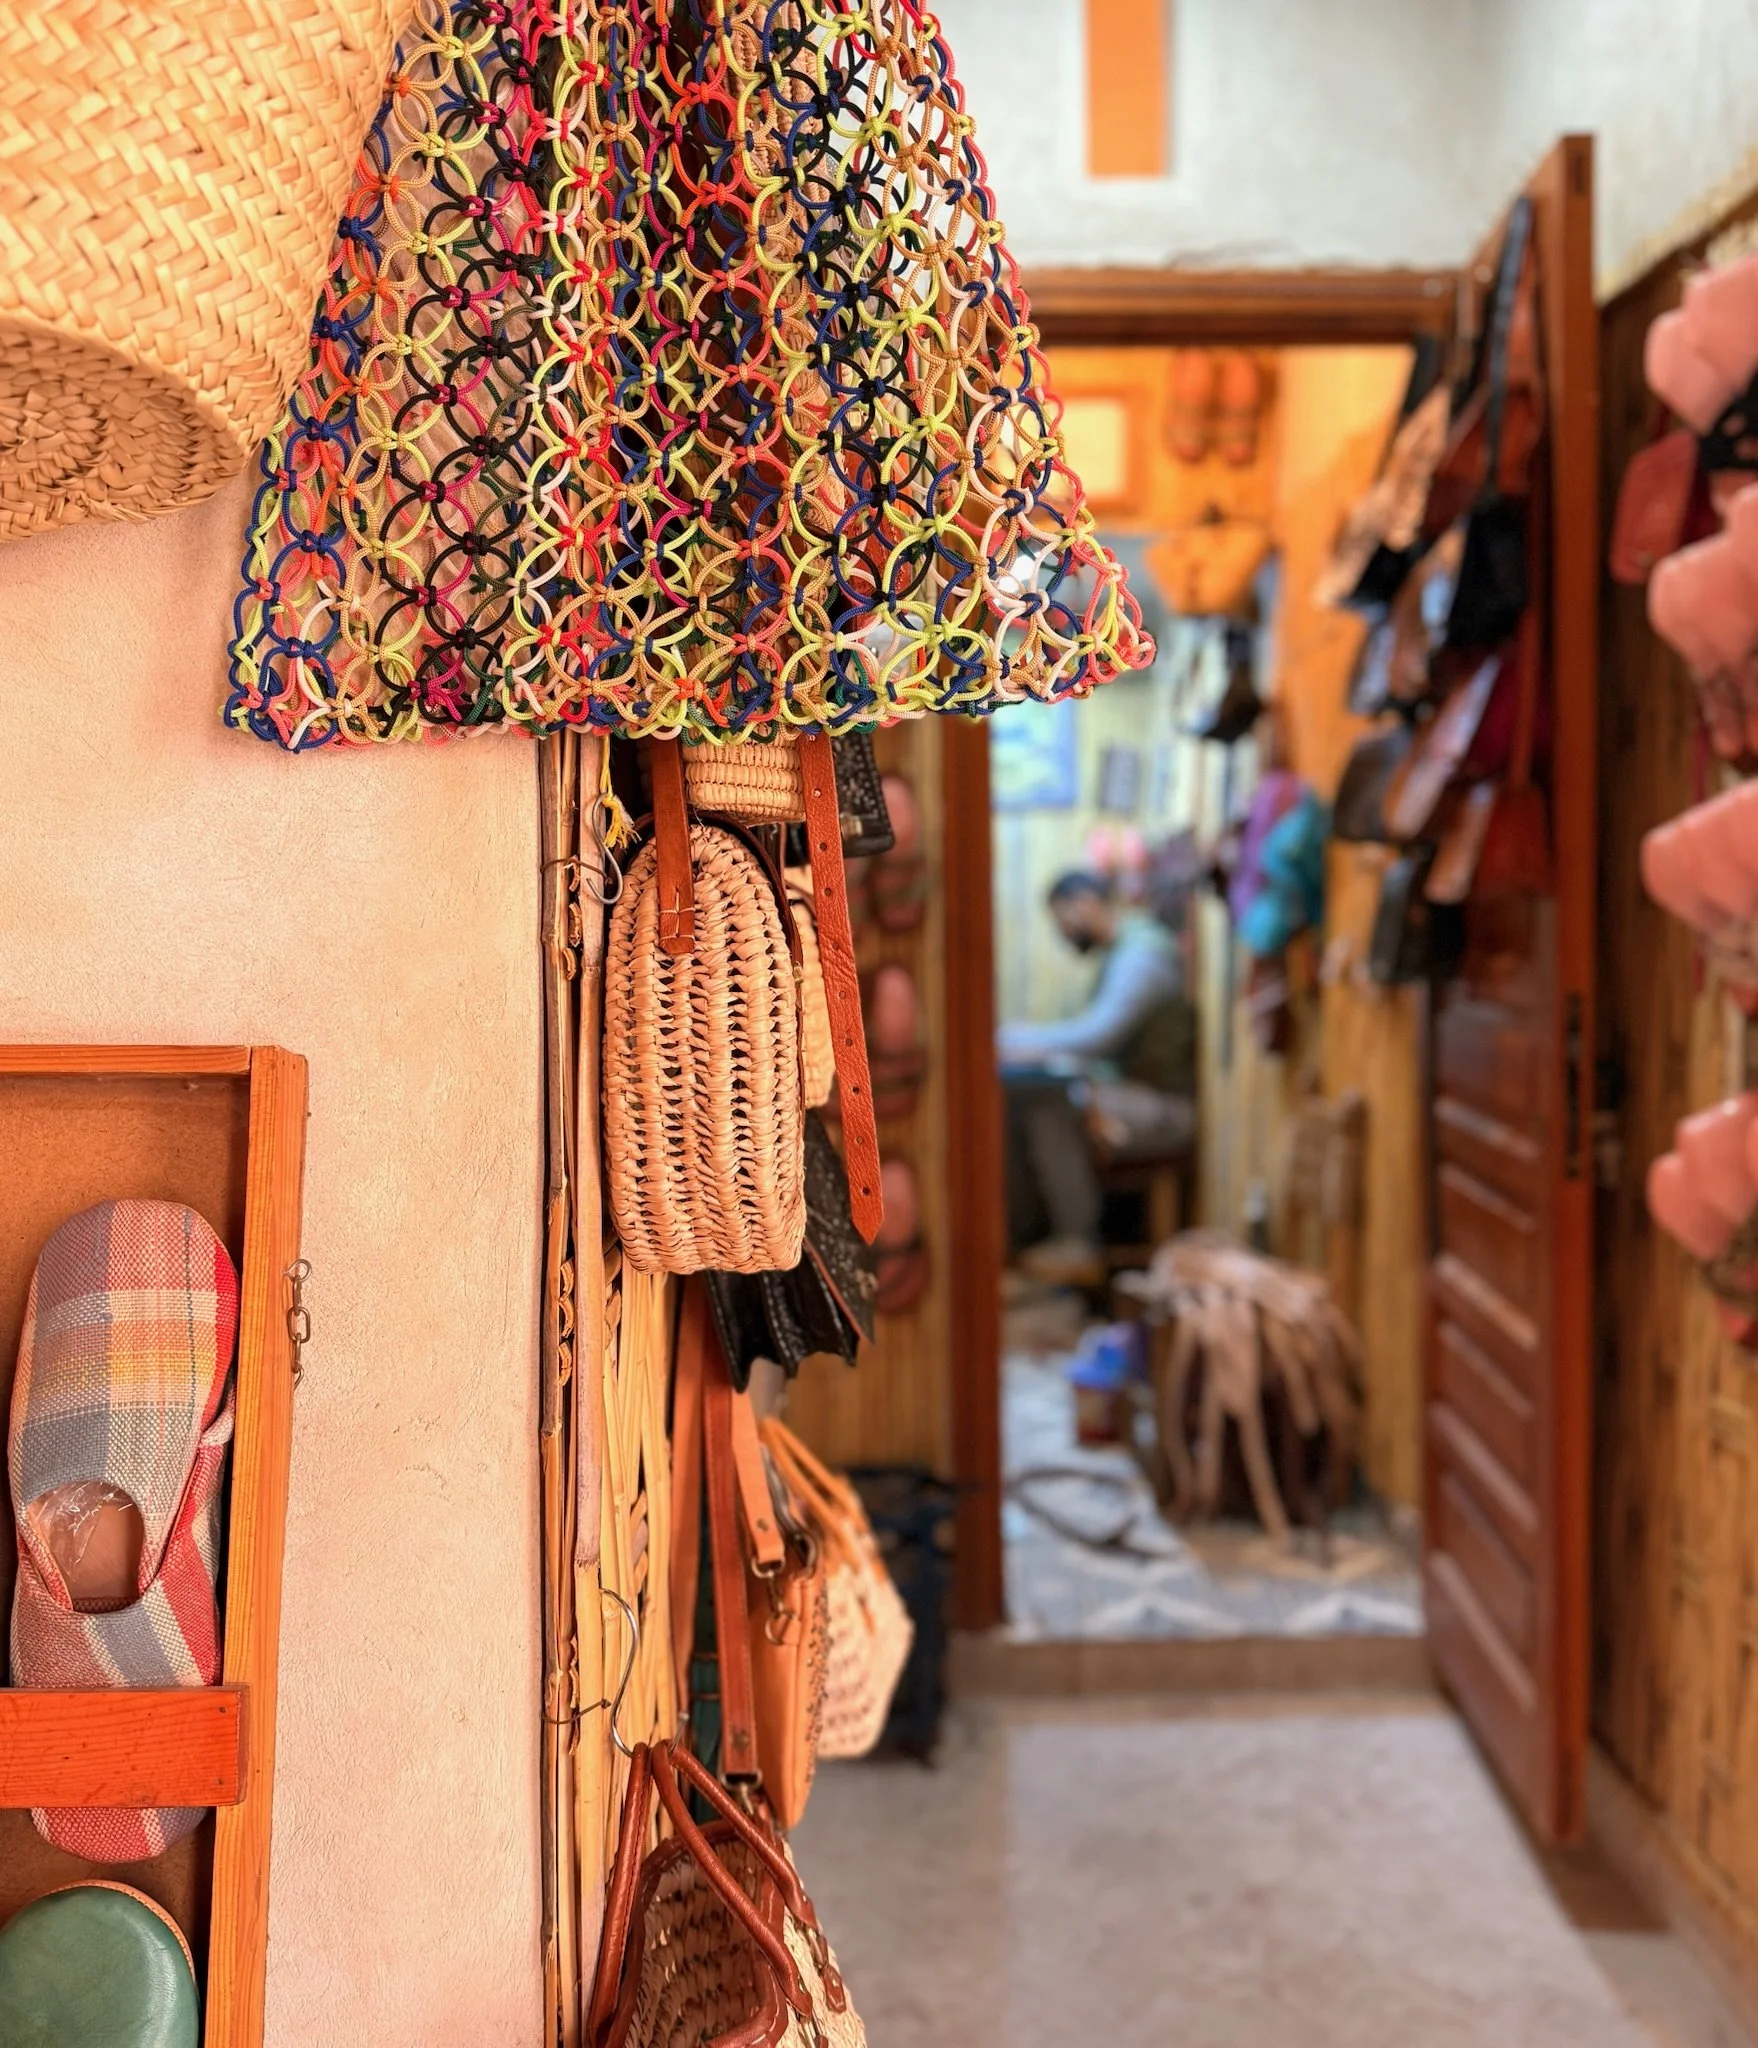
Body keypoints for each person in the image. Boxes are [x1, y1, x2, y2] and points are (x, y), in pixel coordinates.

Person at [998, 873, 1197, 1285]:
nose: (1063, 932)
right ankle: (1028, 1238)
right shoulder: (1121, 953)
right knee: (1026, 1101)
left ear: (1085, 903)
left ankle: (1077, 1240)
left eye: (1061, 919)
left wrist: (1013, 1040)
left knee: (1052, 1106)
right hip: (1137, 1094)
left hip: (1165, 1107)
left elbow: (1099, 1036)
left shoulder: (1143, 955)